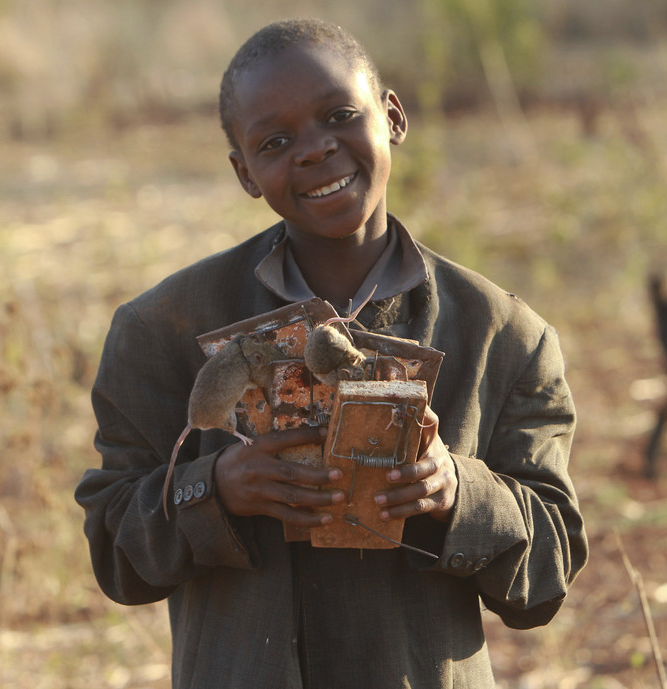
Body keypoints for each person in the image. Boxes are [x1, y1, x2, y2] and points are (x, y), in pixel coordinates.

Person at [76, 17, 587, 689]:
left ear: (394, 116)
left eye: (340, 114)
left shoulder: (503, 336)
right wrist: (217, 488)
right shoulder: (164, 327)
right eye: (275, 140)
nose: (315, 150)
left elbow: (549, 572)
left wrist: (455, 490)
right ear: (245, 173)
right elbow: (117, 553)